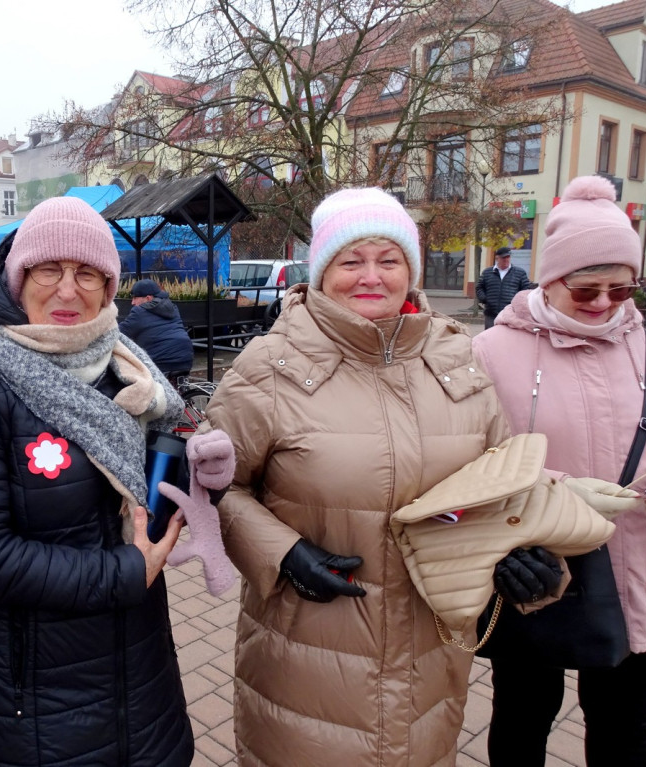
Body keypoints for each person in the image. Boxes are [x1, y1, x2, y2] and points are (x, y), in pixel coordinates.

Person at [205, 188, 516, 766]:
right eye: (351, 261)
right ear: (322, 272)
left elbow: (502, 479)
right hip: (307, 662)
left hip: (431, 664)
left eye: (388, 259)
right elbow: (217, 488)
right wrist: (281, 551)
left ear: (410, 270)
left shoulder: (457, 360)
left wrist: (515, 543)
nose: (371, 276)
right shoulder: (269, 367)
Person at [0, 197, 195, 767]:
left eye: (87, 273)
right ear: (19, 279)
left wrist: (199, 470)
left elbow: (152, 502)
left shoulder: (131, 369)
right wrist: (126, 572)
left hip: (143, 675)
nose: (69, 291)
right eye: (50, 270)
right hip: (38, 697)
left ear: (109, 285)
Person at [472, 175, 646, 767]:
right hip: (535, 570)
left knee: (624, 728)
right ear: (552, 276)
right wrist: (533, 509)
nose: (605, 304)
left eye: (622, 289)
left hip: (638, 570)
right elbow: (466, 464)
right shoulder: (491, 352)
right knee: (522, 720)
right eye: (587, 288)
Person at [119, 278, 194, 382]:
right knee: (177, 393)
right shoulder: (172, 308)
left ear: (148, 298)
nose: (132, 302)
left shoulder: (139, 312)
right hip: (185, 356)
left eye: (135, 298)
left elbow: (119, 333)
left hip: (161, 360)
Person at [476, 246, 535, 329]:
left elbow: (525, 290)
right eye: (503, 258)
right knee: (490, 338)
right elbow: (479, 287)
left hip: (510, 314)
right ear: (497, 258)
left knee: (506, 339)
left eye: (508, 257)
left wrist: (516, 304)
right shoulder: (487, 272)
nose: (506, 260)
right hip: (491, 313)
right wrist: (485, 299)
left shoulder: (519, 273)